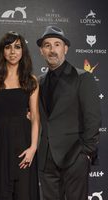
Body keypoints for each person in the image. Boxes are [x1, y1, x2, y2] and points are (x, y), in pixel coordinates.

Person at [36, 25, 101, 200]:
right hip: (46, 158)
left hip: (74, 156)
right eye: (47, 45)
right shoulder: (38, 82)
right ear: (41, 51)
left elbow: (93, 118)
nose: (52, 50)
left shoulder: (82, 78)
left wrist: (85, 153)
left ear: (65, 48)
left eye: (57, 44)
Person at [0, 31, 40, 200]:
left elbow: (35, 117)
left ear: (23, 51)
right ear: (2, 51)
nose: (13, 52)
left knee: (23, 192)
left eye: (17, 47)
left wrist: (33, 148)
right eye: (8, 47)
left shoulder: (31, 80)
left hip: (23, 143)